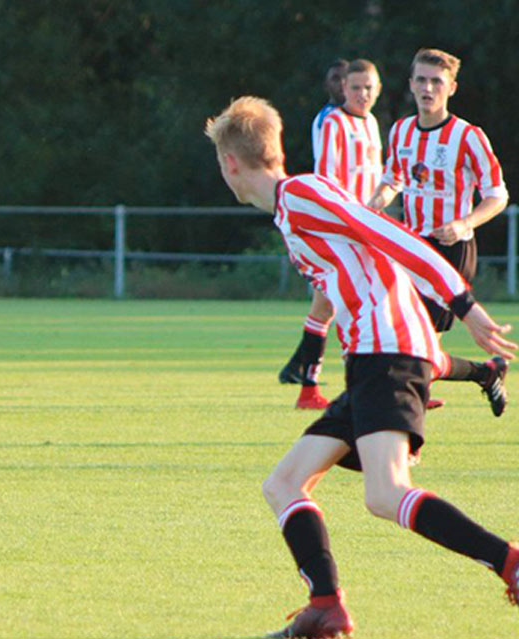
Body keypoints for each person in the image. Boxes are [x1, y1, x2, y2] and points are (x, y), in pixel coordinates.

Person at [206, 95, 519, 638]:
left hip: (384, 353)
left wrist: (463, 304)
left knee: (385, 493)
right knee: (284, 483)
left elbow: (391, 236)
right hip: (376, 359)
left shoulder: (303, 194)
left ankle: (510, 562)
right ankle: (325, 605)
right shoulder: (290, 209)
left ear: (230, 163)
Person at [368, 48, 509, 416]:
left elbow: (497, 195)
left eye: (436, 81)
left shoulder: (468, 136)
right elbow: (393, 179)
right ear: (411, 84)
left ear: (452, 87)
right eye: (421, 80)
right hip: (410, 249)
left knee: (416, 350)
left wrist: (465, 223)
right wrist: (374, 203)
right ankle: (485, 373)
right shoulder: (400, 130)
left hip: (451, 252)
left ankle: (405, 435)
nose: (427, 87)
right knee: (406, 344)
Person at [281, 59, 383, 410]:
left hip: (367, 227)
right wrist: (342, 223)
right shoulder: (333, 123)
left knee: (330, 306)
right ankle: (348, 387)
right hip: (344, 228)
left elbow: (377, 175)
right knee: (345, 305)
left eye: (368, 87)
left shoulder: (371, 123)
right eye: (355, 87)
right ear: (343, 89)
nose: (362, 94)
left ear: (378, 89)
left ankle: (311, 387)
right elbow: (326, 179)